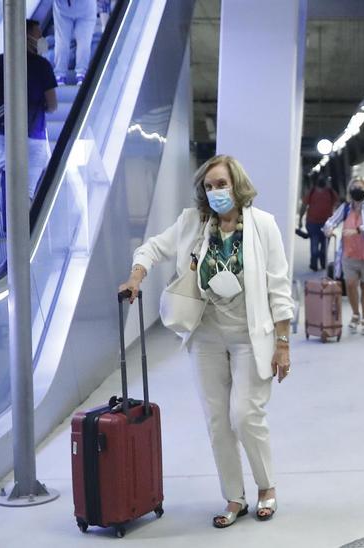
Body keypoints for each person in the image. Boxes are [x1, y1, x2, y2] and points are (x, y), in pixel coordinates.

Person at [119, 155, 293, 528]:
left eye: (221, 184)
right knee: (218, 421)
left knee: (245, 416)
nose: (215, 192)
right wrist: (136, 277)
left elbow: (279, 287)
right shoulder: (192, 224)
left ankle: (266, 487)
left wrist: (283, 343)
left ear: (238, 185)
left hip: (251, 337)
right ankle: (234, 497)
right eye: (209, 186)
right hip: (206, 336)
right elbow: (151, 248)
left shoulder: (263, 226)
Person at [0, 19, 59, 241]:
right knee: (28, 187)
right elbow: (54, 105)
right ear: (27, 36)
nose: (41, 39)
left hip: (1, 136)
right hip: (33, 134)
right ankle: (23, 237)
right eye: (38, 35)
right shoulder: (42, 66)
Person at [322, 177, 364, 336]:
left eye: (360, 187)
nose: (357, 190)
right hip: (348, 255)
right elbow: (331, 221)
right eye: (354, 187)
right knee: (351, 285)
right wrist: (328, 229)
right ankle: (355, 314)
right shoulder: (345, 208)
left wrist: (358, 230)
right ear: (350, 191)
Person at [52, 0, 98, 86]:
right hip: (86, 6)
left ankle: (60, 76)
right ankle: (81, 74)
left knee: (62, 40)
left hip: (63, 6)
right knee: (84, 41)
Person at [299, 176, 338, 272]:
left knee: (324, 247)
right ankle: (314, 264)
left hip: (327, 224)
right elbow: (304, 205)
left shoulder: (330, 192)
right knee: (314, 246)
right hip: (312, 223)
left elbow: (337, 204)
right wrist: (300, 219)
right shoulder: (312, 192)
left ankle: (323, 263)